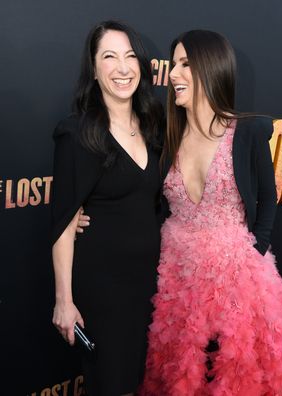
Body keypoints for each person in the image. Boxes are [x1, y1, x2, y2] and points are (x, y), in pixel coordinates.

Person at [79, 30, 282, 395]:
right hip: (177, 270)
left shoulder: (247, 131)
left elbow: (268, 198)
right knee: (184, 367)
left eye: (185, 64)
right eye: (175, 63)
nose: (174, 75)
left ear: (210, 69)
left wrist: (254, 252)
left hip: (237, 268)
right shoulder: (163, 134)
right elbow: (133, 186)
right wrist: (81, 211)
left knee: (243, 367)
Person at [51, 20, 163, 396]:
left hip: (151, 282)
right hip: (104, 287)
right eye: (109, 57)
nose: (122, 68)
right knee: (112, 385)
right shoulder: (77, 133)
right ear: (94, 69)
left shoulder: (154, 125)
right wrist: (64, 301)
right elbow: (64, 225)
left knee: (142, 378)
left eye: (130, 56)